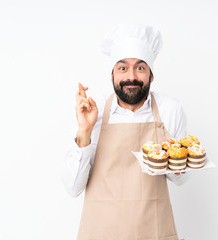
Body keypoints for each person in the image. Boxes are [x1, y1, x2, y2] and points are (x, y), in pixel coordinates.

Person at [62, 24, 189, 240]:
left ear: (151, 75)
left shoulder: (170, 110)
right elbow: (73, 188)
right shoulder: (94, 111)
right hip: (101, 233)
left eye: (140, 68)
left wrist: (174, 156)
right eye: (123, 68)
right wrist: (84, 132)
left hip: (153, 232)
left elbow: (180, 180)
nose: (131, 77)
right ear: (112, 75)